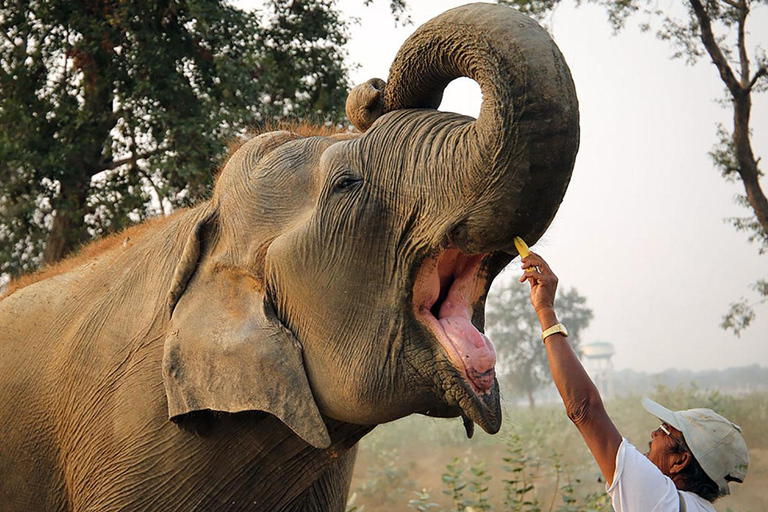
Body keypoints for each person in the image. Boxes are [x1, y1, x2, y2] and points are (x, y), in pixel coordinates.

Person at [518, 251, 749, 512]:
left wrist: (545, 309)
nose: (653, 434)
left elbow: (584, 408)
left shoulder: (658, 497)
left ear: (680, 461)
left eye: (664, 430)